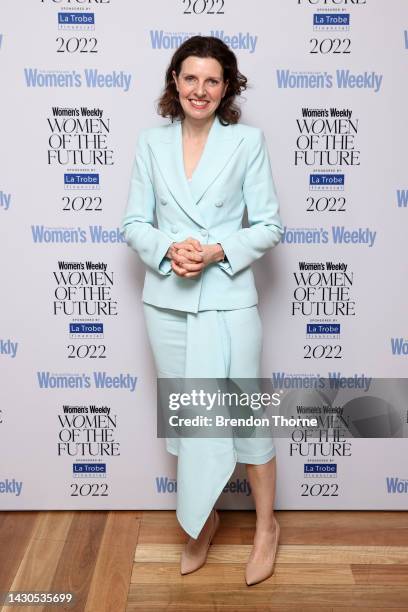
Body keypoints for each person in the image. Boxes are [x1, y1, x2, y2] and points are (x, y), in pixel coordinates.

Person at [121, 35, 283, 586]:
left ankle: (266, 529)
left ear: (227, 87)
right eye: (190, 78)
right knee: (190, 419)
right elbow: (133, 223)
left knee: (247, 416)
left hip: (229, 300)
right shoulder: (150, 143)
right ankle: (202, 519)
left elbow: (268, 226)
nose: (200, 89)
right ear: (175, 81)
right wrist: (169, 247)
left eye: (212, 80)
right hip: (167, 302)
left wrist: (215, 249)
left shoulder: (247, 142)